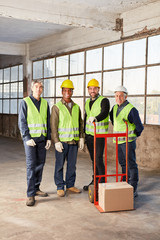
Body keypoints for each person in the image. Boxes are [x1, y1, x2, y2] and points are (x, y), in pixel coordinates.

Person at [18, 80, 51, 206]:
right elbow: (22, 121)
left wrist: (48, 138)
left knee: (40, 164)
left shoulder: (44, 103)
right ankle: (30, 194)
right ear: (32, 88)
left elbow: (47, 121)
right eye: (36, 86)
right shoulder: (25, 102)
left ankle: (37, 188)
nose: (38, 89)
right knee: (31, 166)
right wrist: (26, 137)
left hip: (41, 139)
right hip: (31, 140)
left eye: (41, 87)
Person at [50, 79, 84, 197]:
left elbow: (80, 124)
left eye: (69, 90)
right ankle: (60, 186)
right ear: (62, 91)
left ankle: (70, 185)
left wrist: (81, 138)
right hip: (62, 142)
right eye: (65, 90)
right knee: (59, 165)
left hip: (73, 142)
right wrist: (56, 141)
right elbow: (53, 126)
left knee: (72, 165)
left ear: (72, 92)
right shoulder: (56, 107)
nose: (67, 92)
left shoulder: (76, 107)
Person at [110, 86, 144, 197]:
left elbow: (139, 127)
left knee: (131, 164)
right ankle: (125, 182)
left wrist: (132, 135)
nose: (118, 98)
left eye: (121, 95)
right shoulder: (114, 108)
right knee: (123, 163)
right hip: (118, 142)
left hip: (128, 142)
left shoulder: (131, 109)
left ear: (126, 96)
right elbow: (114, 120)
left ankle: (133, 187)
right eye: (116, 95)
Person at [83, 79, 110, 191]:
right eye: (90, 88)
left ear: (98, 89)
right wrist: (83, 135)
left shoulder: (104, 100)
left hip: (99, 135)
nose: (92, 90)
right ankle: (95, 181)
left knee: (98, 158)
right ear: (88, 90)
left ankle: (102, 183)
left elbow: (104, 112)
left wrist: (96, 118)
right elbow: (85, 117)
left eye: (95, 88)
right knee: (93, 159)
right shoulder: (87, 102)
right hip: (89, 135)